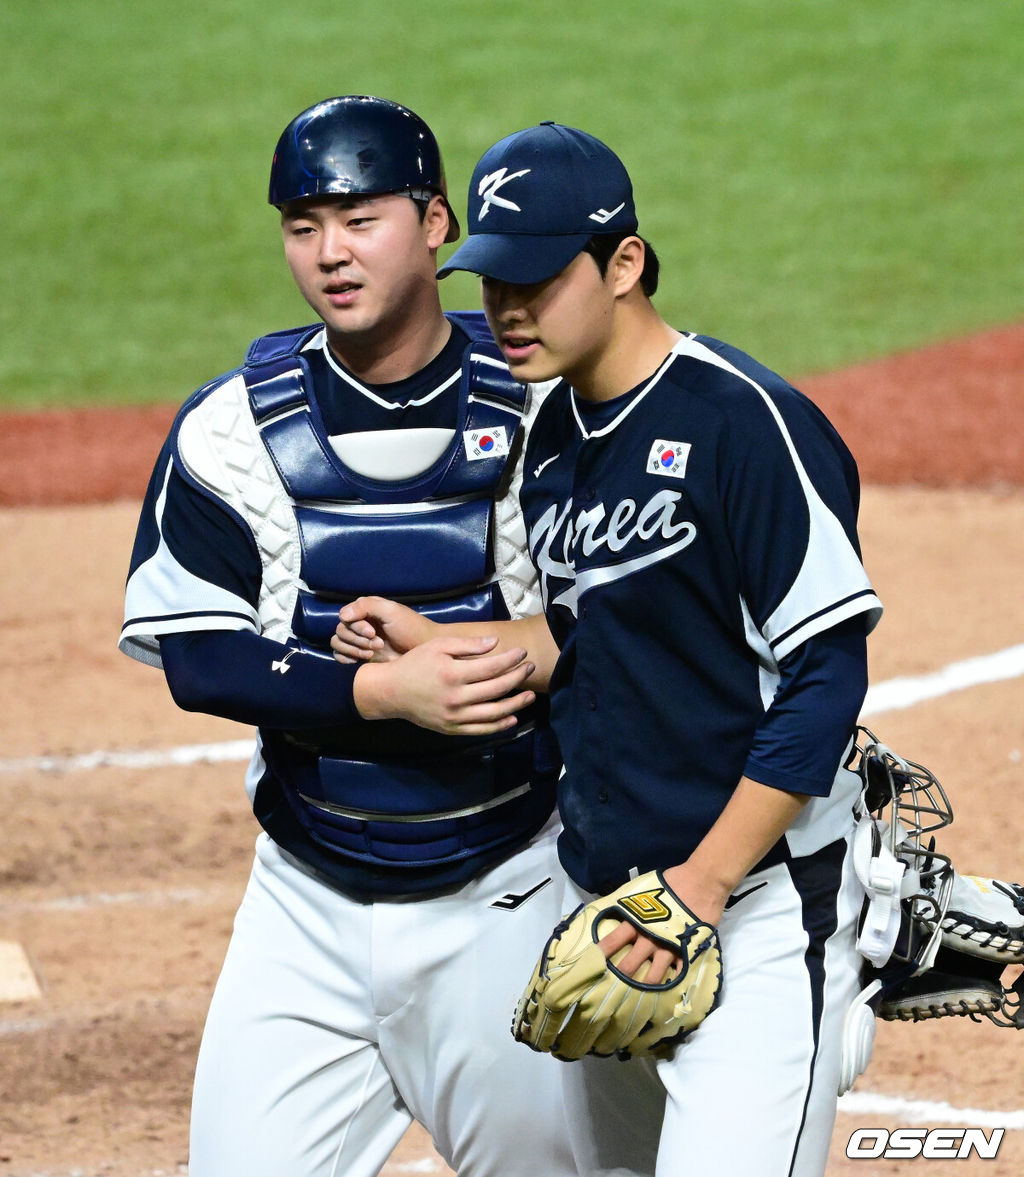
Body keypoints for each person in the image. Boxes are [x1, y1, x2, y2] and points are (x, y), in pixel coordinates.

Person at [333, 121, 885, 1177]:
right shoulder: (554, 442)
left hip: (750, 908)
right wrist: (457, 649)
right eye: (492, 280)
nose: (507, 309)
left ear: (624, 263)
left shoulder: (743, 422)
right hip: (607, 904)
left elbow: (827, 675)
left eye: (536, 279)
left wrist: (703, 887)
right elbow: (594, 633)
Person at [118, 97, 590, 1177]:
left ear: (434, 224)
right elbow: (199, 657)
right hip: (306, 907)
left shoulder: (542, 405)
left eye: (359, 219)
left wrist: (478, 657)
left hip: (508, 891)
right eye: (301, 225)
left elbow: (626, 609)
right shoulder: (230, 426)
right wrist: (385, 696)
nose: (329, 253)